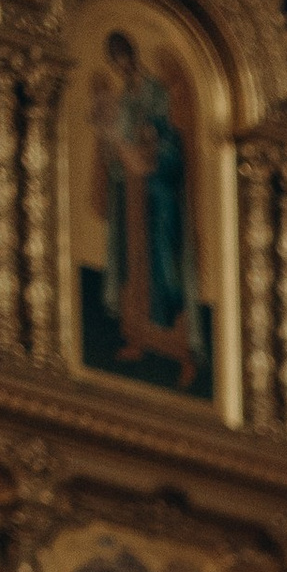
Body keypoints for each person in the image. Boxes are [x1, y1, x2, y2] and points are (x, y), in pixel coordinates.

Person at [89, 30, 203, 390]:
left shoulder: (157, 92)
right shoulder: (124, 100)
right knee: (133, 265)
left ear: (133, 56)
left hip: (162, 197)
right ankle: (138, 338)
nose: (122, 68)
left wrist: (154, 140)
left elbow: (173, 143)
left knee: (165, 269)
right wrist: (114, 146)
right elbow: (121, 151)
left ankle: (184, 351)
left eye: (124, 59)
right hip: (134, 195)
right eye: (116, 63)